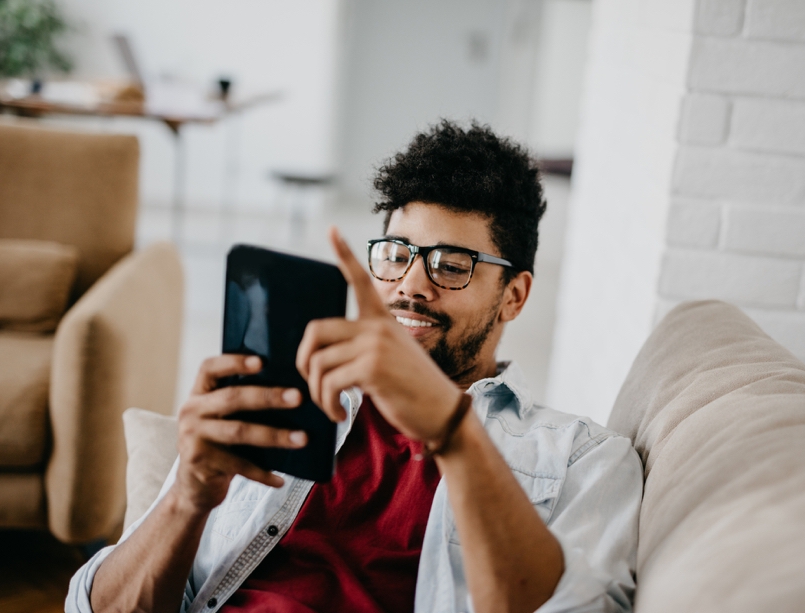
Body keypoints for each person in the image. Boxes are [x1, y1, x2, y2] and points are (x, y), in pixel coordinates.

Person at [67, 121, 642, 613]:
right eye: (396, 256)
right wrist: (185, 499)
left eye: (451, 265)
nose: (411, 287)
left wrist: (453, 430)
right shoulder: (282, 398)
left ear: (514, 296)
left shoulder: (581, 459)